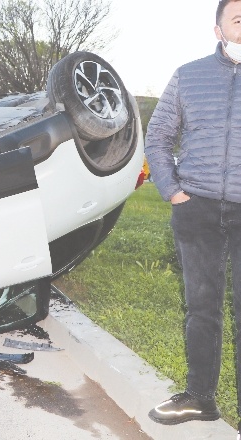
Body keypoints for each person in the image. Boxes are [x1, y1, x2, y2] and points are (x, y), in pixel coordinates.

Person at [145, 0, 241, 434]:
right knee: (202, 309)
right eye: (238, 18)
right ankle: (201, 398)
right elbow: (159, 135)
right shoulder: (188, 74)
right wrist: (173, 191)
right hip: (197, 208)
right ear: (218, 29)